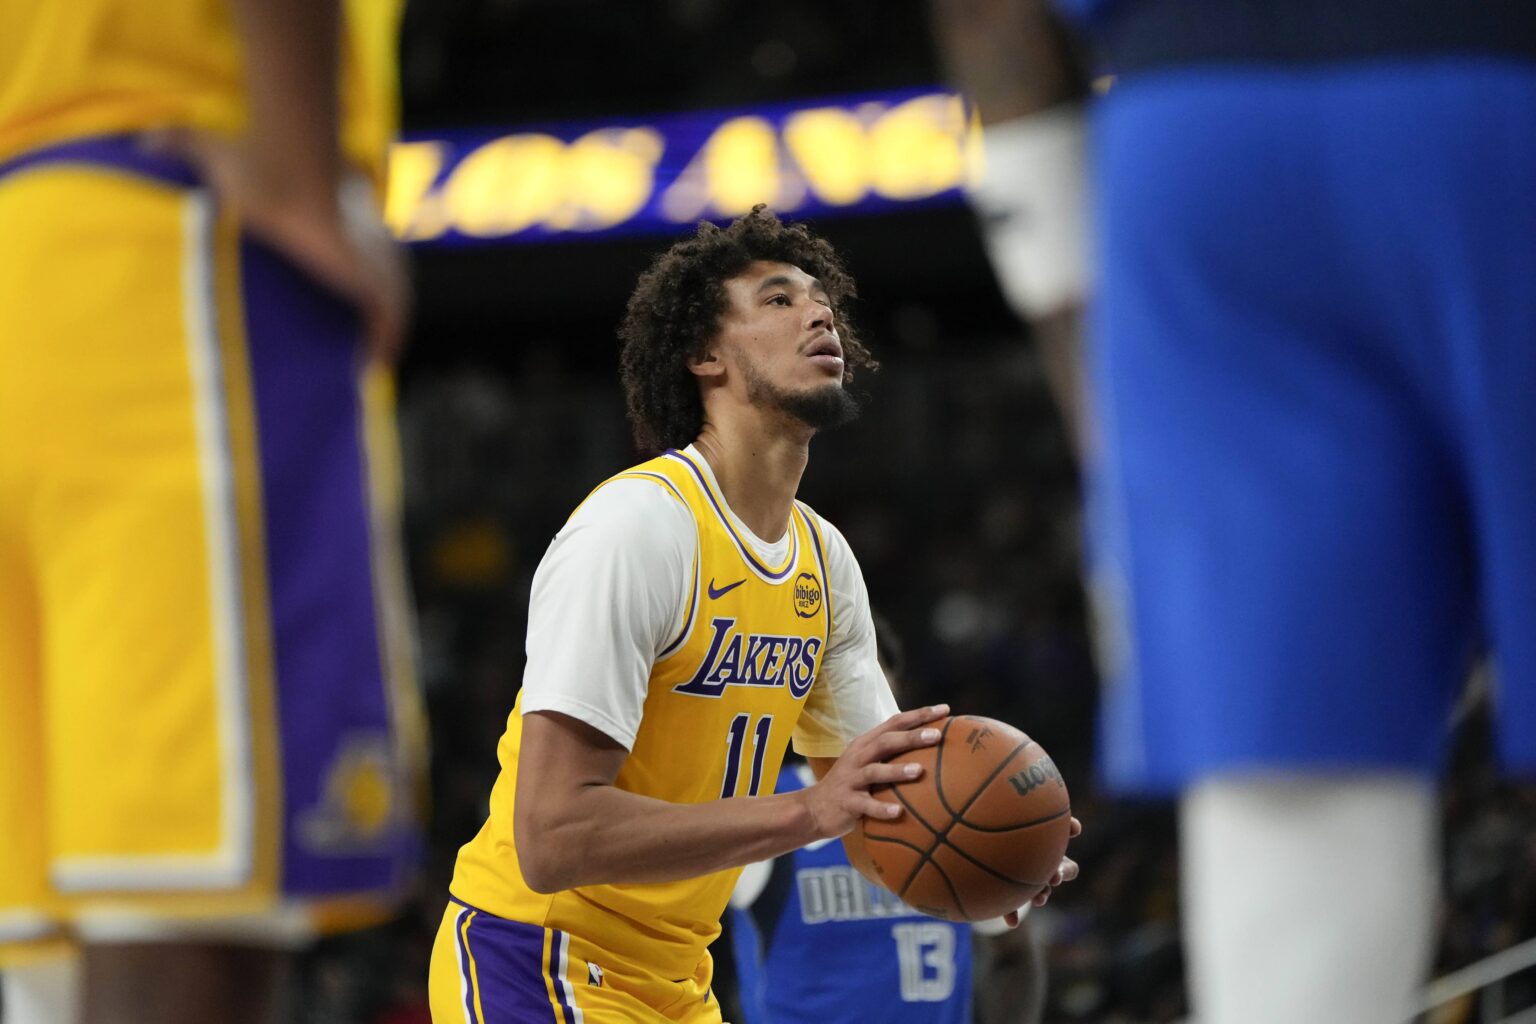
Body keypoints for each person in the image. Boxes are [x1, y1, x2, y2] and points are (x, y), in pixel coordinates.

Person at [930, 1, 1536, 1022]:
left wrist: (1098, 377)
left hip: (1197, 139)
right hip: (1496, 97)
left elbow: (991, 18)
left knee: (1291, 780)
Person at [426, 207, 1079, 1023]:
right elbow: (553, 837)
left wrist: (994, 865)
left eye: (822, 301)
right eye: (776, 300)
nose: (817, 313)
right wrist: (810, 809)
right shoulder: (638, 528)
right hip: (539, 956)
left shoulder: (824, 561)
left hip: (675, 980)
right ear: (704, 356)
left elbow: (881, 811)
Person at [0, 1, 424, 1021]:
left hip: (29, 242)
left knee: (54, 932)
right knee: (183, 894)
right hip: (161, 227)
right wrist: (301, 181)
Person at [725, 618, 1050, 1024]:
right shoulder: (762, 803)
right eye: (827, 678)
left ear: (893, 687)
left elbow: (1014, 957)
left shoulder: (959, 805)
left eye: (860, 676)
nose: (846, 694)